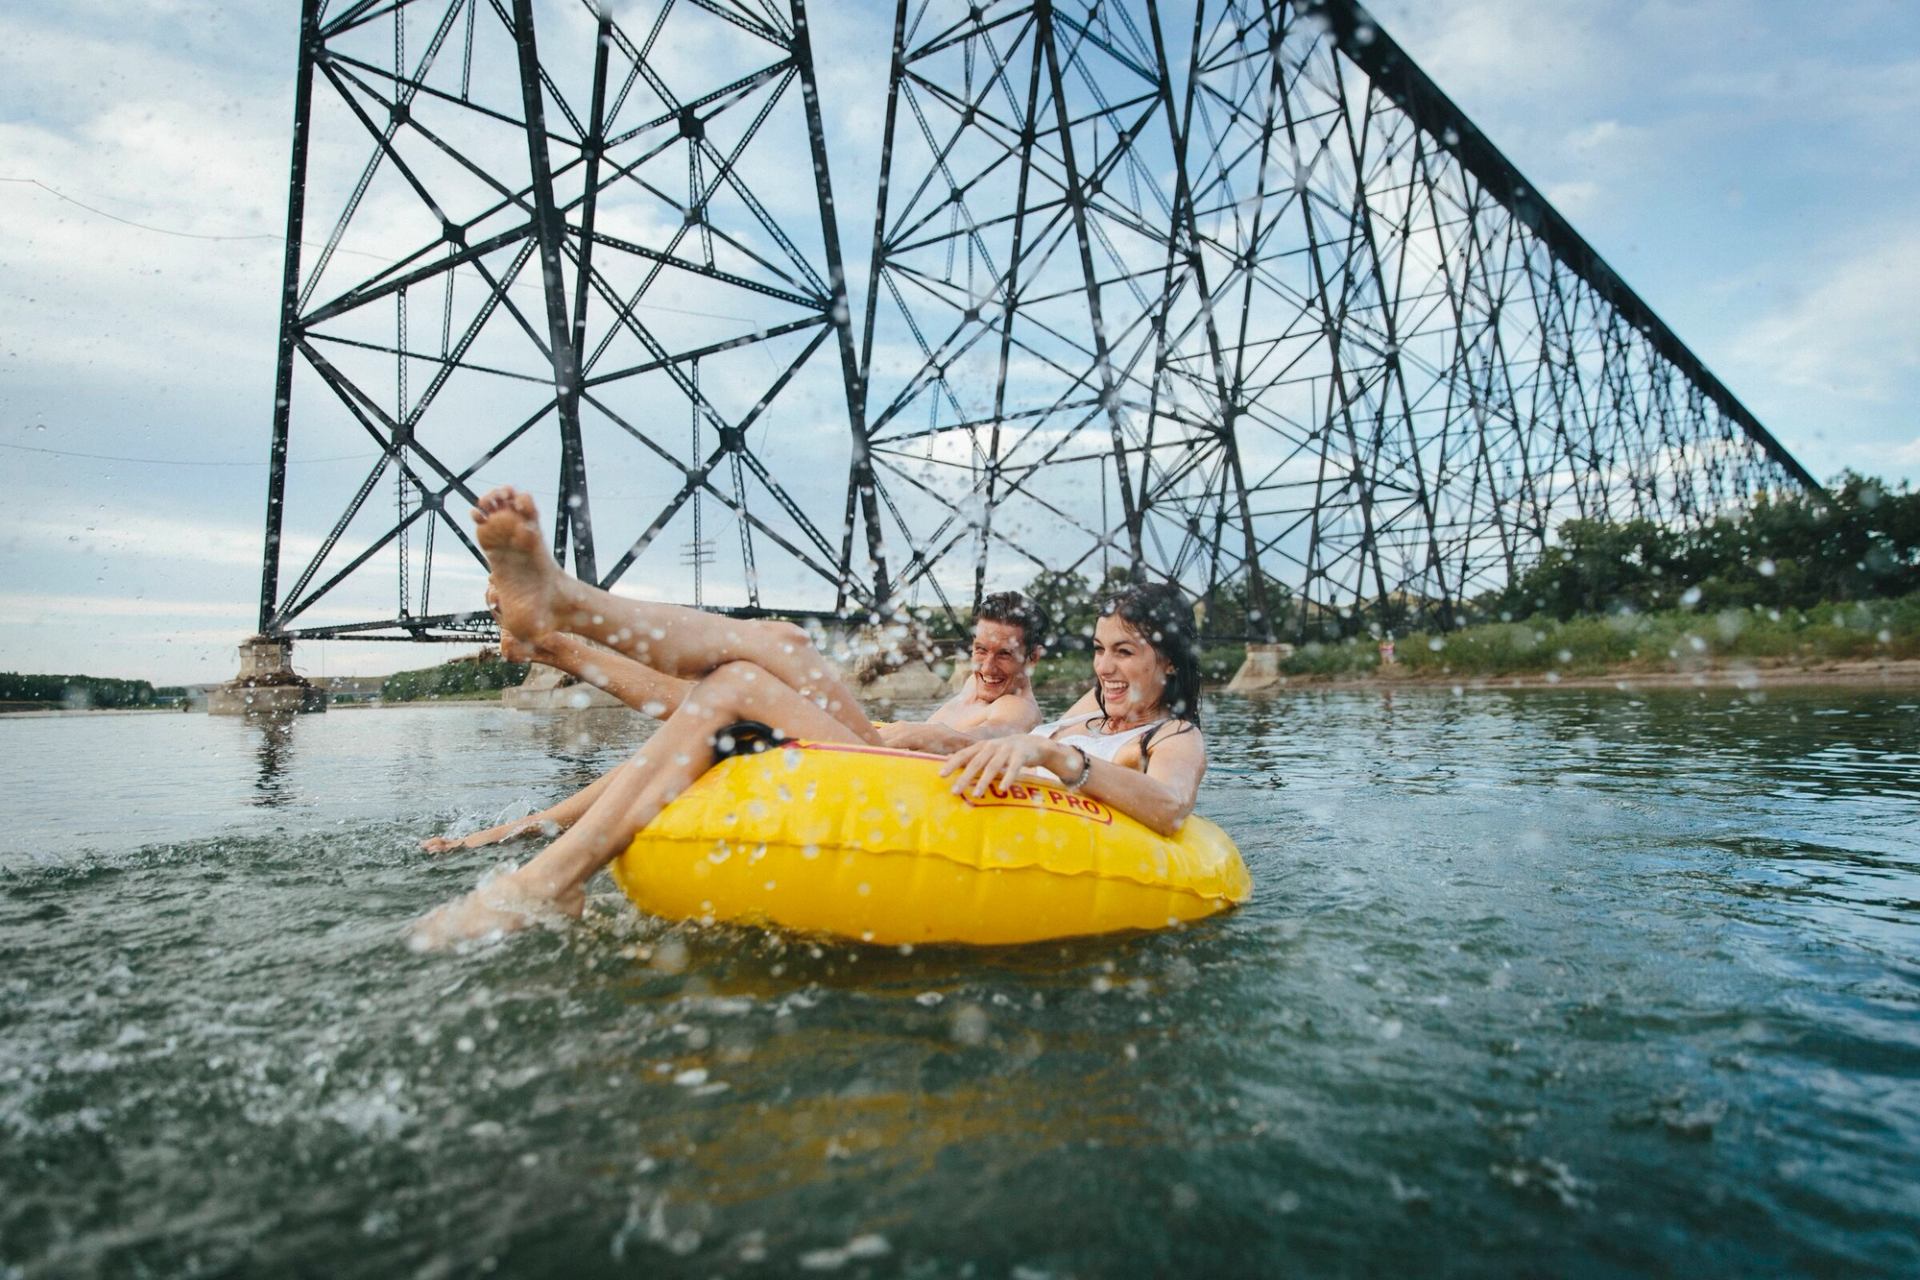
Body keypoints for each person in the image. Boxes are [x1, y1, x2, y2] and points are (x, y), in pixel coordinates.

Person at [408, 486, 1206, 950]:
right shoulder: (1089, 705)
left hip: (915, 784)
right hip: (890, 759)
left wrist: (1052, 756)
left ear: (1168, 663)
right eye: (1101, 650)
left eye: (1127, 653)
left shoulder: (1166, 733)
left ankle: (563, 626)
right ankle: (558, 624)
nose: (1106, 668)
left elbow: (1169, 808)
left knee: (744, 680)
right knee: (758, 663)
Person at [419, 587, 1046, 853]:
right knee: (706, 705)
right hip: (873, 752)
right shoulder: (978, 681)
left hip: (892, 774)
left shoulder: (1016, 707)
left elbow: (989, 740)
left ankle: (568, 642)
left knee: (771, 647)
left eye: (1005, 655)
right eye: (981, 649)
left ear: (1033, 659)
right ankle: (561, 654)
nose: (988, 665)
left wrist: (923, 733)